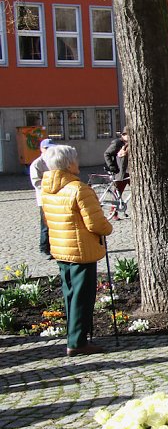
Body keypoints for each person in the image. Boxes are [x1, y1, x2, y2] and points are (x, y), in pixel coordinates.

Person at [41, 144, 113, 356]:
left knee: (70, 294)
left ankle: (74, 336)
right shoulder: (79, 189)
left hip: (61, 248)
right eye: (75, 158)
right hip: (81, 250)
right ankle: (77, 342)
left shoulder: (47, 188)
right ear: (69, 163)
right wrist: (107, 228)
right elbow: (96, 224)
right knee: (82, 297)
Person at [29, 138, 55, 259]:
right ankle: (44, 248)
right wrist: (51, 185)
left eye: (51, 148)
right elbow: (36, 182)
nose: (49, 150)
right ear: (41, 149)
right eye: (47, 148)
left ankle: (54, 247)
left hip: (56, 197)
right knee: (45, 225)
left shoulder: (54, 161)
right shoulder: (36, 164)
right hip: (44, 198)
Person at [103, 127, 130, 196]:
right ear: (122, 135)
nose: (127, 136)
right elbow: (107, 154)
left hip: (130, 171)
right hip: (121, 172)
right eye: (125, 134)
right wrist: (111, 166)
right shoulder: (117, 143)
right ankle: (114, 206)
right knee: (118, 193)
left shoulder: (132, 144)